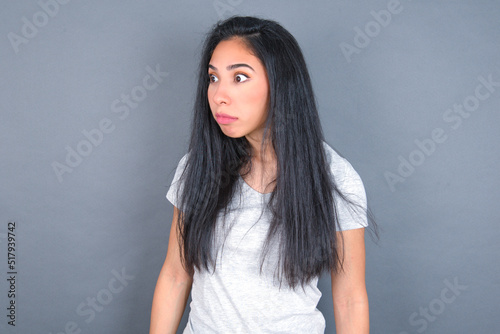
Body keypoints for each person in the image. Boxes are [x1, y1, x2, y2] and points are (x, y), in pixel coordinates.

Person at [150, 15, 377, 334]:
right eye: (213, 78)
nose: (219, 96)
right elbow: (175, 275)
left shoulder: (334, 178)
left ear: (280, 83)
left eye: (239, 77)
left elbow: (350, 299)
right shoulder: (196, 168)